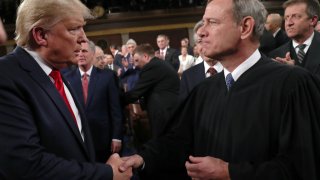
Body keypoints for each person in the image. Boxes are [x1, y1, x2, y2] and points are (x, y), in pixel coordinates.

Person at [120, 0, 320, 179]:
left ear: (245, 27)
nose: (200, 32)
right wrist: (142, 158)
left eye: (212, 22)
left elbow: (303, 166)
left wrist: (231, 173)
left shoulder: (293, 84)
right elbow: (178, 142)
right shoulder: (204, 90)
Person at [0, 0, 131, 179]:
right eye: (73, 29)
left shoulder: (57, 71)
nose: (84, 38)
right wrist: (106, 174)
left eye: (83, 28)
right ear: (41, 35)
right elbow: (25, 165)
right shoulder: (6, 76)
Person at [65, 40, 123, 163]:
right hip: (78, 139)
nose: (80, 54)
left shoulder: (107, 76)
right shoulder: (66, 78)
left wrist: (116, 136)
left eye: (84, 51)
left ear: (92, 53)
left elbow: (115, 109)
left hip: (103, 138)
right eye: (77, 51)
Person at [124, 43, 180, 139]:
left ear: (145, 56)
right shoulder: (158, 64)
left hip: (164, 114)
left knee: (162, 144)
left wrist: (115, 98)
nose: (136, 65)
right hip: (168, 112)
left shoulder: (152, 67)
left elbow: (136, 93)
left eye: (137, 60)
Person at [269, 0, 320, 77]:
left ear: (313, 20)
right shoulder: (275, 56)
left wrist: (294, 72)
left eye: (296, 16)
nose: (289, 23)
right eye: (286, 17)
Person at [180, 20, 223, 102]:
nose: (204, 46)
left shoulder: (234, 69)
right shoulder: (188, 77)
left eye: (208, 41)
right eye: (199, 42)